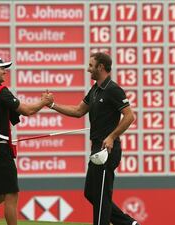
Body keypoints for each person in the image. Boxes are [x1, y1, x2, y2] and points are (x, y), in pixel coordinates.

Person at [48, 52, 140, 225]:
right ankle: (129, 224)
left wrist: (112, 137)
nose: (88, 69)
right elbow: (78, 111)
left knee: (101, 195)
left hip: (108, 150)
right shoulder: (96, 89)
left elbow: (129, 116)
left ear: (101, 67)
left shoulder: (113, 89)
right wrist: (52, 105)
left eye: (91, 65)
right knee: (91, 193)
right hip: (97, 149)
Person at [0, 56, 53, 225]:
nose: (5, 71)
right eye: (1, 68)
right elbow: (27, 110)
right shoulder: (1, 91)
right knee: (11, 194)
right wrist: (44, 101)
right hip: (0, 149)